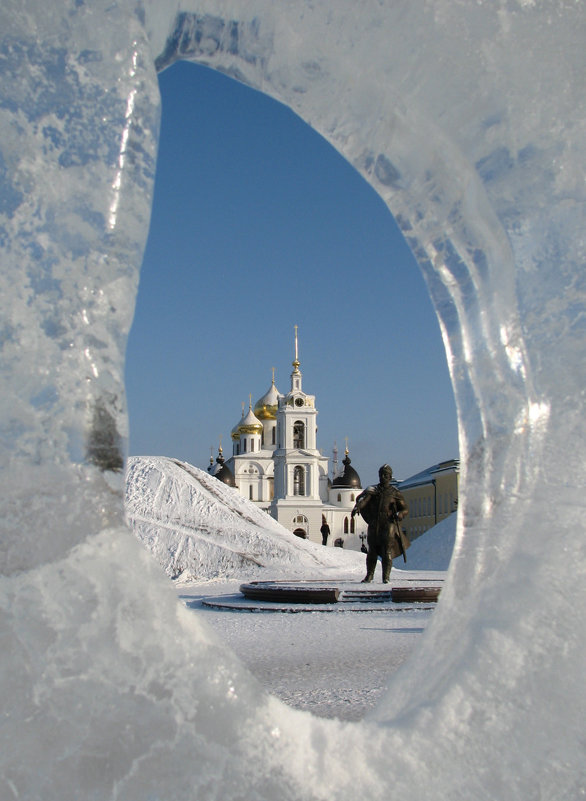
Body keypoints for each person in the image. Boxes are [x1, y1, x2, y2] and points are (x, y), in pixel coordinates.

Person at [351, 464, 409, 583]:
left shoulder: (395, 493)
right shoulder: (374, 491)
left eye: (386, 475)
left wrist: (401, 514)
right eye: (381, 475)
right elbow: (364, 501)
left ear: (390, 477)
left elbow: (405, 508)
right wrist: (357, 507)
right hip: (374, 523)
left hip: (388, 524)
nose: (383, 477)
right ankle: (369, 575)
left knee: (386, 550)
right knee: (372, 550)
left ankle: (386, 577)